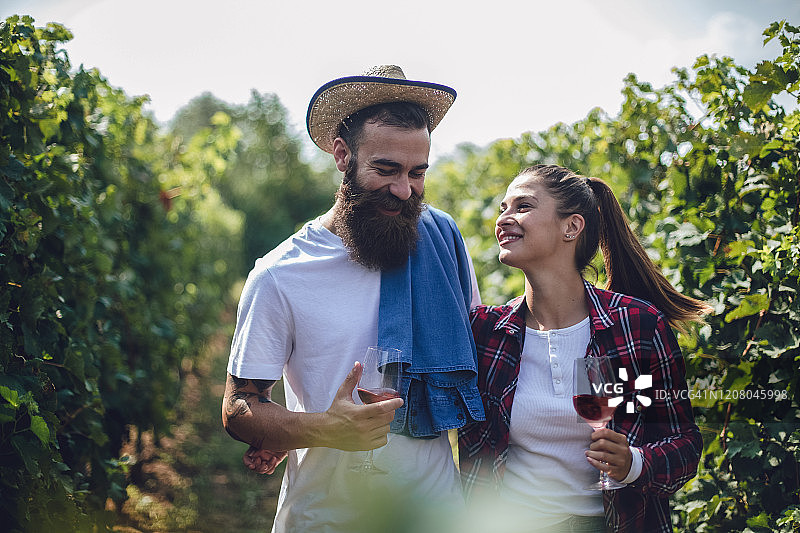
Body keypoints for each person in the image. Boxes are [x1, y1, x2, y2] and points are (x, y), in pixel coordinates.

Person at [222, 65, 484, 533]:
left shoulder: (444, 244)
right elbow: (239, 408)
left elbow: (478, 353)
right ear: (343, 156)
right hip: (327, 518)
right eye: (386, 170)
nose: (405, 190)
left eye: (417, 173)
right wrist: (323, 429)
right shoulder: (281, 274)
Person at [457, 164, 709, 533]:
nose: (504, 220)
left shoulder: (635, 326)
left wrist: (634, 463)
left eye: (522, 207)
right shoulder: (485, 332)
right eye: (502, 208)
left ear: (571, 227)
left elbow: (684, 445)